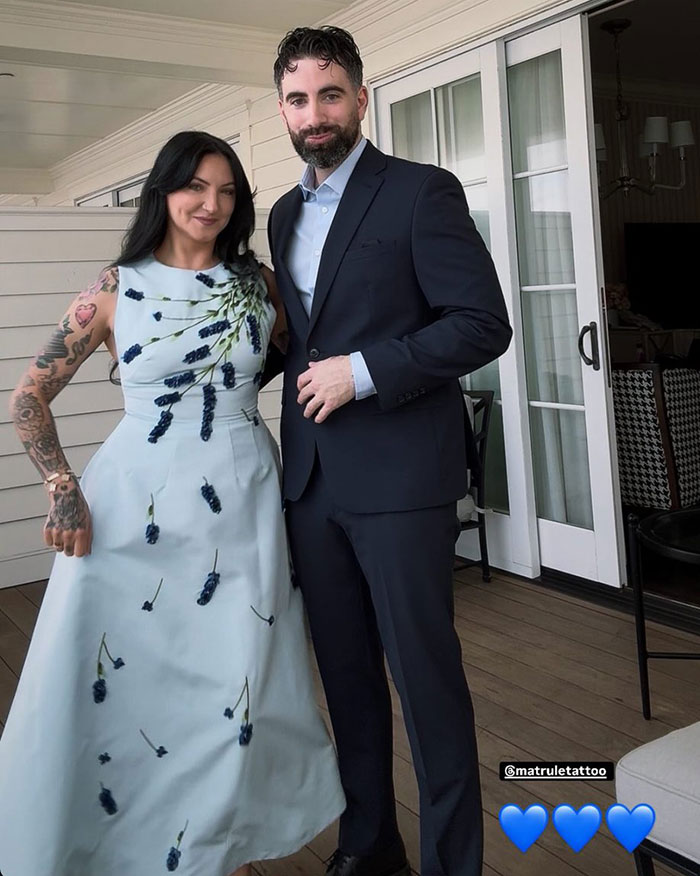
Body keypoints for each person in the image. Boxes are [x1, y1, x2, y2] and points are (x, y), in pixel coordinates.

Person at [0, 130, 345, 876]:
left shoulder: (259, 284)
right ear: (163, 190)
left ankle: (219, 850)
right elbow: (28, 397)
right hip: (134, 509)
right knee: (131, 687)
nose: (211, 204)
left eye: (227, 191)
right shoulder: (115, 288)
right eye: (195, 186)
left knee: (238, 680)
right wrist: (62, 489)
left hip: (243, 501)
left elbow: (294, 357)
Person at [268, 27, 512, 876]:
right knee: (346, 683)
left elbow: (482, 324)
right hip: (311, 485)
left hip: (402, 481)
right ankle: (370, 849)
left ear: (361, 99)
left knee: (426, 686)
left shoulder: (420, 191)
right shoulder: (282, 214)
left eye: (330, 94)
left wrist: (364, 372)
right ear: (282, 109)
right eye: (298, 99)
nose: (315, 113)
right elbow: (299, 339)